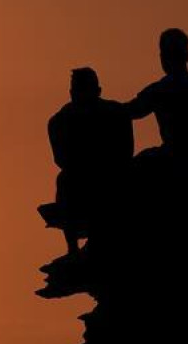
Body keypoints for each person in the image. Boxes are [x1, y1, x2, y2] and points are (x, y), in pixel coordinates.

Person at [47, 67, 134, 253]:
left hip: (111, 181)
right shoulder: (59, 121)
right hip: (81, 183)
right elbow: (62, 160)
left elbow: (126, 155)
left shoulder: (117, 114)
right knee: (64, 179)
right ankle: (73, 249)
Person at [125, 28, 188, 179]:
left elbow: (130, 111)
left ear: (162, 57)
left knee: (134, 168)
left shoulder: (160, 90)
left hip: (176, 162)